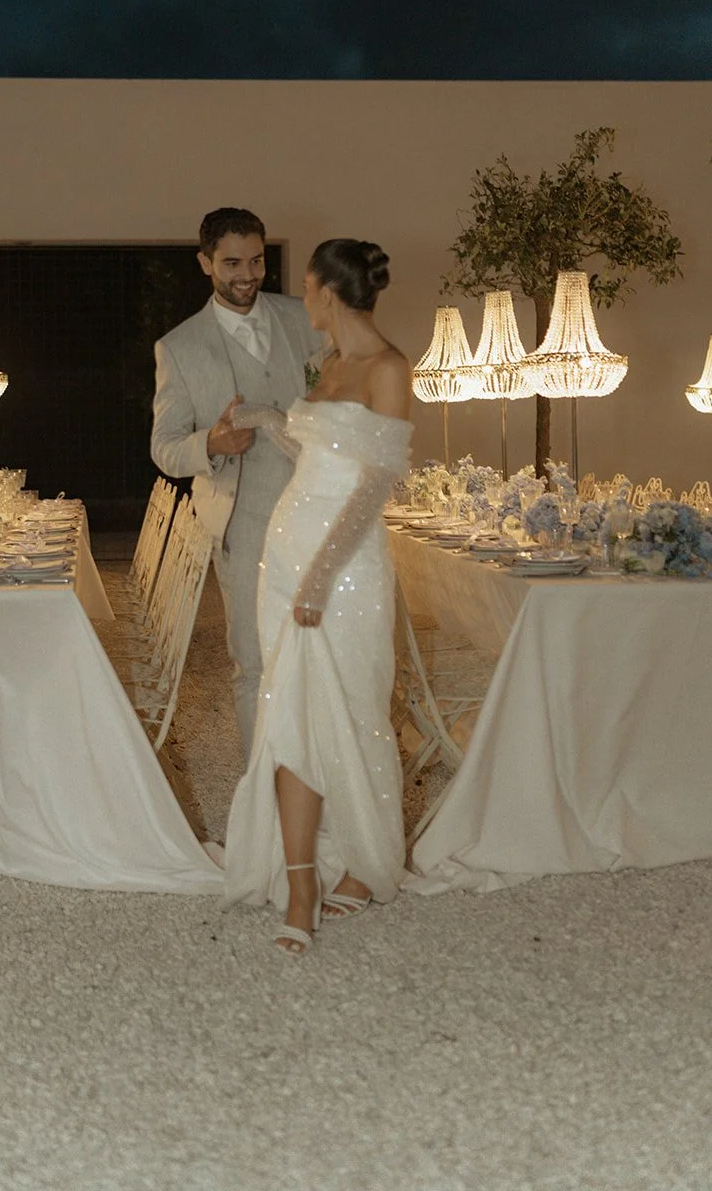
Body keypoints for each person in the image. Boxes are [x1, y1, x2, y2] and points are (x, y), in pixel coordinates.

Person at [223, 238, 413, 955]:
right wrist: (265, 419)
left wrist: (322, 573)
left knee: (354, 708)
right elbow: (318, 456)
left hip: (345, 565)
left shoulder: (387, 368)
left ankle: (364, 859)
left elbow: (374, 483)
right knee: (288, 713)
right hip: (286, 552)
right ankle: (301, 884)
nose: (301, 300)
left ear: (328, 294)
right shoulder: (327, 364)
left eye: (306, 289)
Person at [151, 208, 326, 758]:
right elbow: (164, 447)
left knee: (320, 654)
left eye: (256, 260)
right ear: (205, 263)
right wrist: (211, 442)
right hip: (243, 523)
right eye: (232, 263)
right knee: (253, 662)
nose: (247, 275)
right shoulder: (179, 347)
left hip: (317, 513)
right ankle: (262, 793)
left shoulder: (305, 319)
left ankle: (316, 774)